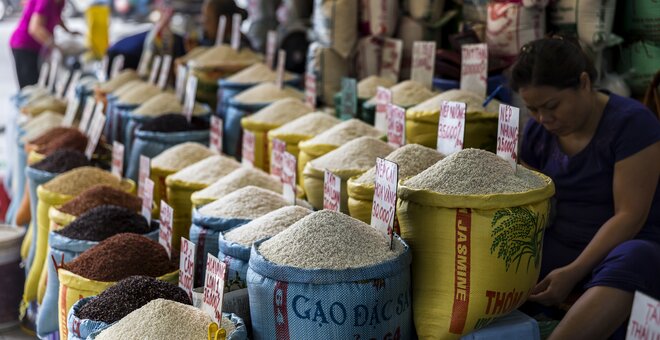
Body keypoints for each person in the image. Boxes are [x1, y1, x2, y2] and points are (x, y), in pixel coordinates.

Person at [514, 35, 660, 340]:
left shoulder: (633, 124)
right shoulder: (537, 132)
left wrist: (574, 271)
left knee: (637, 259)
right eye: (533, 109)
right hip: (560, 243)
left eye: (552, 105)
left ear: (583, 83)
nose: (544, 118)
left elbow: (629, 216)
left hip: (622, 247)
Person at [9, 0, 78, 88]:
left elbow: (56, 16)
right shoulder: (45, 1)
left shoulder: (60, 2)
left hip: (39, 47)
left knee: (42, 83)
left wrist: (68, 31)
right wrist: (55, 46)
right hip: (24, 46)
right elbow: (35, 28)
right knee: (30, 87)